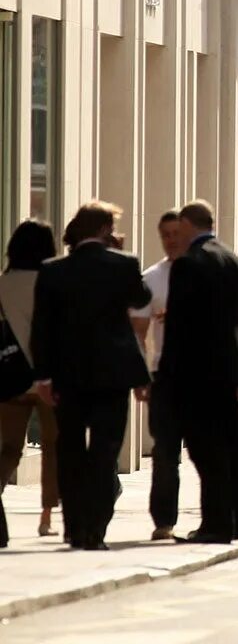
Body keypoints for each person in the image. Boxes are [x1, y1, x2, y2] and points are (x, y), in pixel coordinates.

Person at [28, 202, 152, 549]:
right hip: (113, 376)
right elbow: (141, 297)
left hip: (68, 376)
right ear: (103, 230)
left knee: (69, 449)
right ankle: (95, 530)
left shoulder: (53, 271)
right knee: (104, 451)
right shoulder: (123, 265)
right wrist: (122, 257)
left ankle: (73, 527)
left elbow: (42, 329)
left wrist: (43, 377)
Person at [157, 200, 238, 543]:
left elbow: (180, 329)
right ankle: (237, 519)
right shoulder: (234, 262)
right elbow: (232, 323)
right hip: (227, 371)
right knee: (230, 448)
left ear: (188, 225)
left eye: (178, 229)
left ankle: (216, 524)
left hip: (196, 374)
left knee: (205, 450)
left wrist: (167, 377)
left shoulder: (189, 265)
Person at [0, 220, 61, 547]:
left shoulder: (2, 284)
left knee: (9, 448)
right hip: (48, 376)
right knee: (53, 447)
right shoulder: (51, 282)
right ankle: (46, 518)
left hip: (10, 376)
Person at [130, 210, 185, 541]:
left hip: (204, 375)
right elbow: (138, 332)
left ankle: (214, 516)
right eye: (165, 234)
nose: (170, 239)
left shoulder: (206, 271)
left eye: (176, 232)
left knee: (208, 450)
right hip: (164, 373)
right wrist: (141, 375)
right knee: (166, 452)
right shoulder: (151, 278)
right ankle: (164, 520)